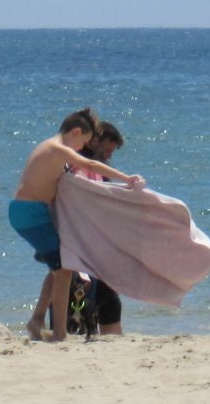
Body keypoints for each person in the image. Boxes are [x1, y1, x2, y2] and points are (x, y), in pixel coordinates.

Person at [9, 109, 142, 341]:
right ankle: (59, 333)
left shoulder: (50, 147)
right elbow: (91, 165)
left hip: (30, 211)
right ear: (76, 132)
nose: (81, 147)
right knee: (64, 270)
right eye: (83, 142)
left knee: (59, 266)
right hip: (30, 213)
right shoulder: (58, 148)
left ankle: (37, 320)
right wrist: (127, 179)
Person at [70, 121, 128, 337]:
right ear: (95, 140)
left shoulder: (96, 169)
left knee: (109, 303)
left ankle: (111, 342)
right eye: (108, 150)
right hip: (84, 246)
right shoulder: (79, 165)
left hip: (100, 248)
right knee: (82, 299)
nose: (109, 156)